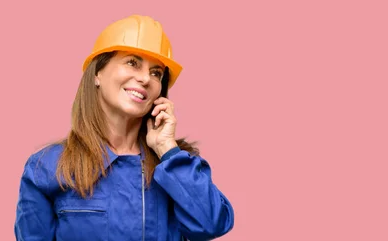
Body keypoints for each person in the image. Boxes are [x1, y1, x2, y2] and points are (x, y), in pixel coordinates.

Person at [14, 14, 235, 241]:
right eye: (132, 62)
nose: (145, 79)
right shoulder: (47, 168)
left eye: (156, 73)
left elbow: (213, 224)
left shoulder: (175, 164)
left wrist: (167, 149)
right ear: (97, 73)